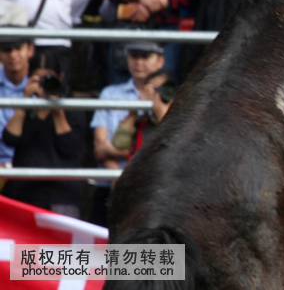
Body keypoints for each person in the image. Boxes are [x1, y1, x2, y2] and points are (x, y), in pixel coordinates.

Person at [89, 40, 164, 226]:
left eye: (145, 57)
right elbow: (99, 149)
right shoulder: (109, 94)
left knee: (147, 253)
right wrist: (118, 177)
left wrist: (116, 152)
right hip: (109, 186)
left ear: (160, 61)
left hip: (152, 189)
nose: (139, 62)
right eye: (134, 56)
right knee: (100, 252)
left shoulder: (169, 96)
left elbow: (164, 150)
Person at [1, 68, 85, 216]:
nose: (45, 85)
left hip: (61, 195)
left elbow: (71, 149)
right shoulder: (27, 109)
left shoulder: (73, 107)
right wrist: (25, 101)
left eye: (50, 79)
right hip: (24, 193)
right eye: (39, 80)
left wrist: (57, 111)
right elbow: (10, 139)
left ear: (61, 78)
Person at [112, 68, 174, 159]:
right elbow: (119, 144)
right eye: (155, 89)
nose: (158, 94)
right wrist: (135, 110)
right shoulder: (141, 122)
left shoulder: (181, 120)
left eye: (164, 89)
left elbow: (172, 148)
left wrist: (162, 116)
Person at [0, 23, 35, 169]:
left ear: (30, 50)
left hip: (33, 168)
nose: (13, 54)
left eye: (18, 48)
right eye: (7, 49)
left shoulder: (43, 87)